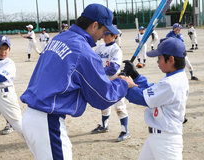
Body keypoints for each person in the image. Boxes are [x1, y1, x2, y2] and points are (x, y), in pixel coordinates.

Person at [20, 4, 134, 160]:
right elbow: (103, 98)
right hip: (48, 121)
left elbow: (70, 77)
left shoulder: (60, 37)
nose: (102, 36)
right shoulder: (83, 50)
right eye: (103, 30)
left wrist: (109, 79)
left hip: (32, 117)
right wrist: (124, 84)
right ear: (94, 25)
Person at [120, 37, 189, 160]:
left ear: (171, 59)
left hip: (167, 141)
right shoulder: (175, 77)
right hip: (157, 138)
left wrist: (126, 85)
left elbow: (143, 98)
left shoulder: (172, 83)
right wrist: (135, 76)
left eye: (160, 58)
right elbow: (152, 91)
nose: (157, 62)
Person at [91, 31, 130, 142]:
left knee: (119, 107)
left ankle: (125, 131)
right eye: (104, 34)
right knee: (104, 104)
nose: (105, 36)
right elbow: (93, 60)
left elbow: (113, 68)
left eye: (108, 34)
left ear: (114, 36)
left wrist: (98, 72)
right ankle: (104, 126)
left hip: (115, 81)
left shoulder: (116, 49)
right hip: (103, 80)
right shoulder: (100, 47)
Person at [0, 35, 23, 137]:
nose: (3, 52)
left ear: (9, 49)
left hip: (5, 96)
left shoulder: (9, 63)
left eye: (6, 49)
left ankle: (40, 145)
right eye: (0, 48)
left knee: (19, 126)